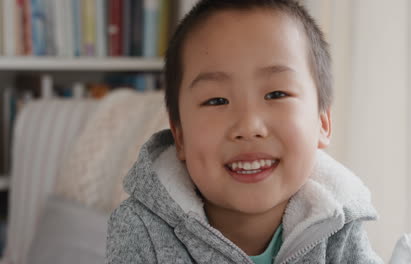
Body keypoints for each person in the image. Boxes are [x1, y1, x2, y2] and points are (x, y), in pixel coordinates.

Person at [106, 0, 383, 263]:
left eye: (276, 94)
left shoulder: (340, 222)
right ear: (179, 136)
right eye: (216, 101)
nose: (249, 127)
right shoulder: (139, 229)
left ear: (322, 123)